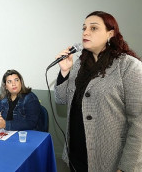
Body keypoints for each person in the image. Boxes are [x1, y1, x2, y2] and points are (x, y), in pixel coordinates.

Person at [54, 11, 142, 172]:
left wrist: (127, 167)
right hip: (76, 156)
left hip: (109, 160)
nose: (86, 32)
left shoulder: (128, 66)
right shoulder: (80, 65)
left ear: (110, 33)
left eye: (93, 28)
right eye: (84, 28)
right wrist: (64, 72)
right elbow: (60, 99)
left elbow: (139, 121)